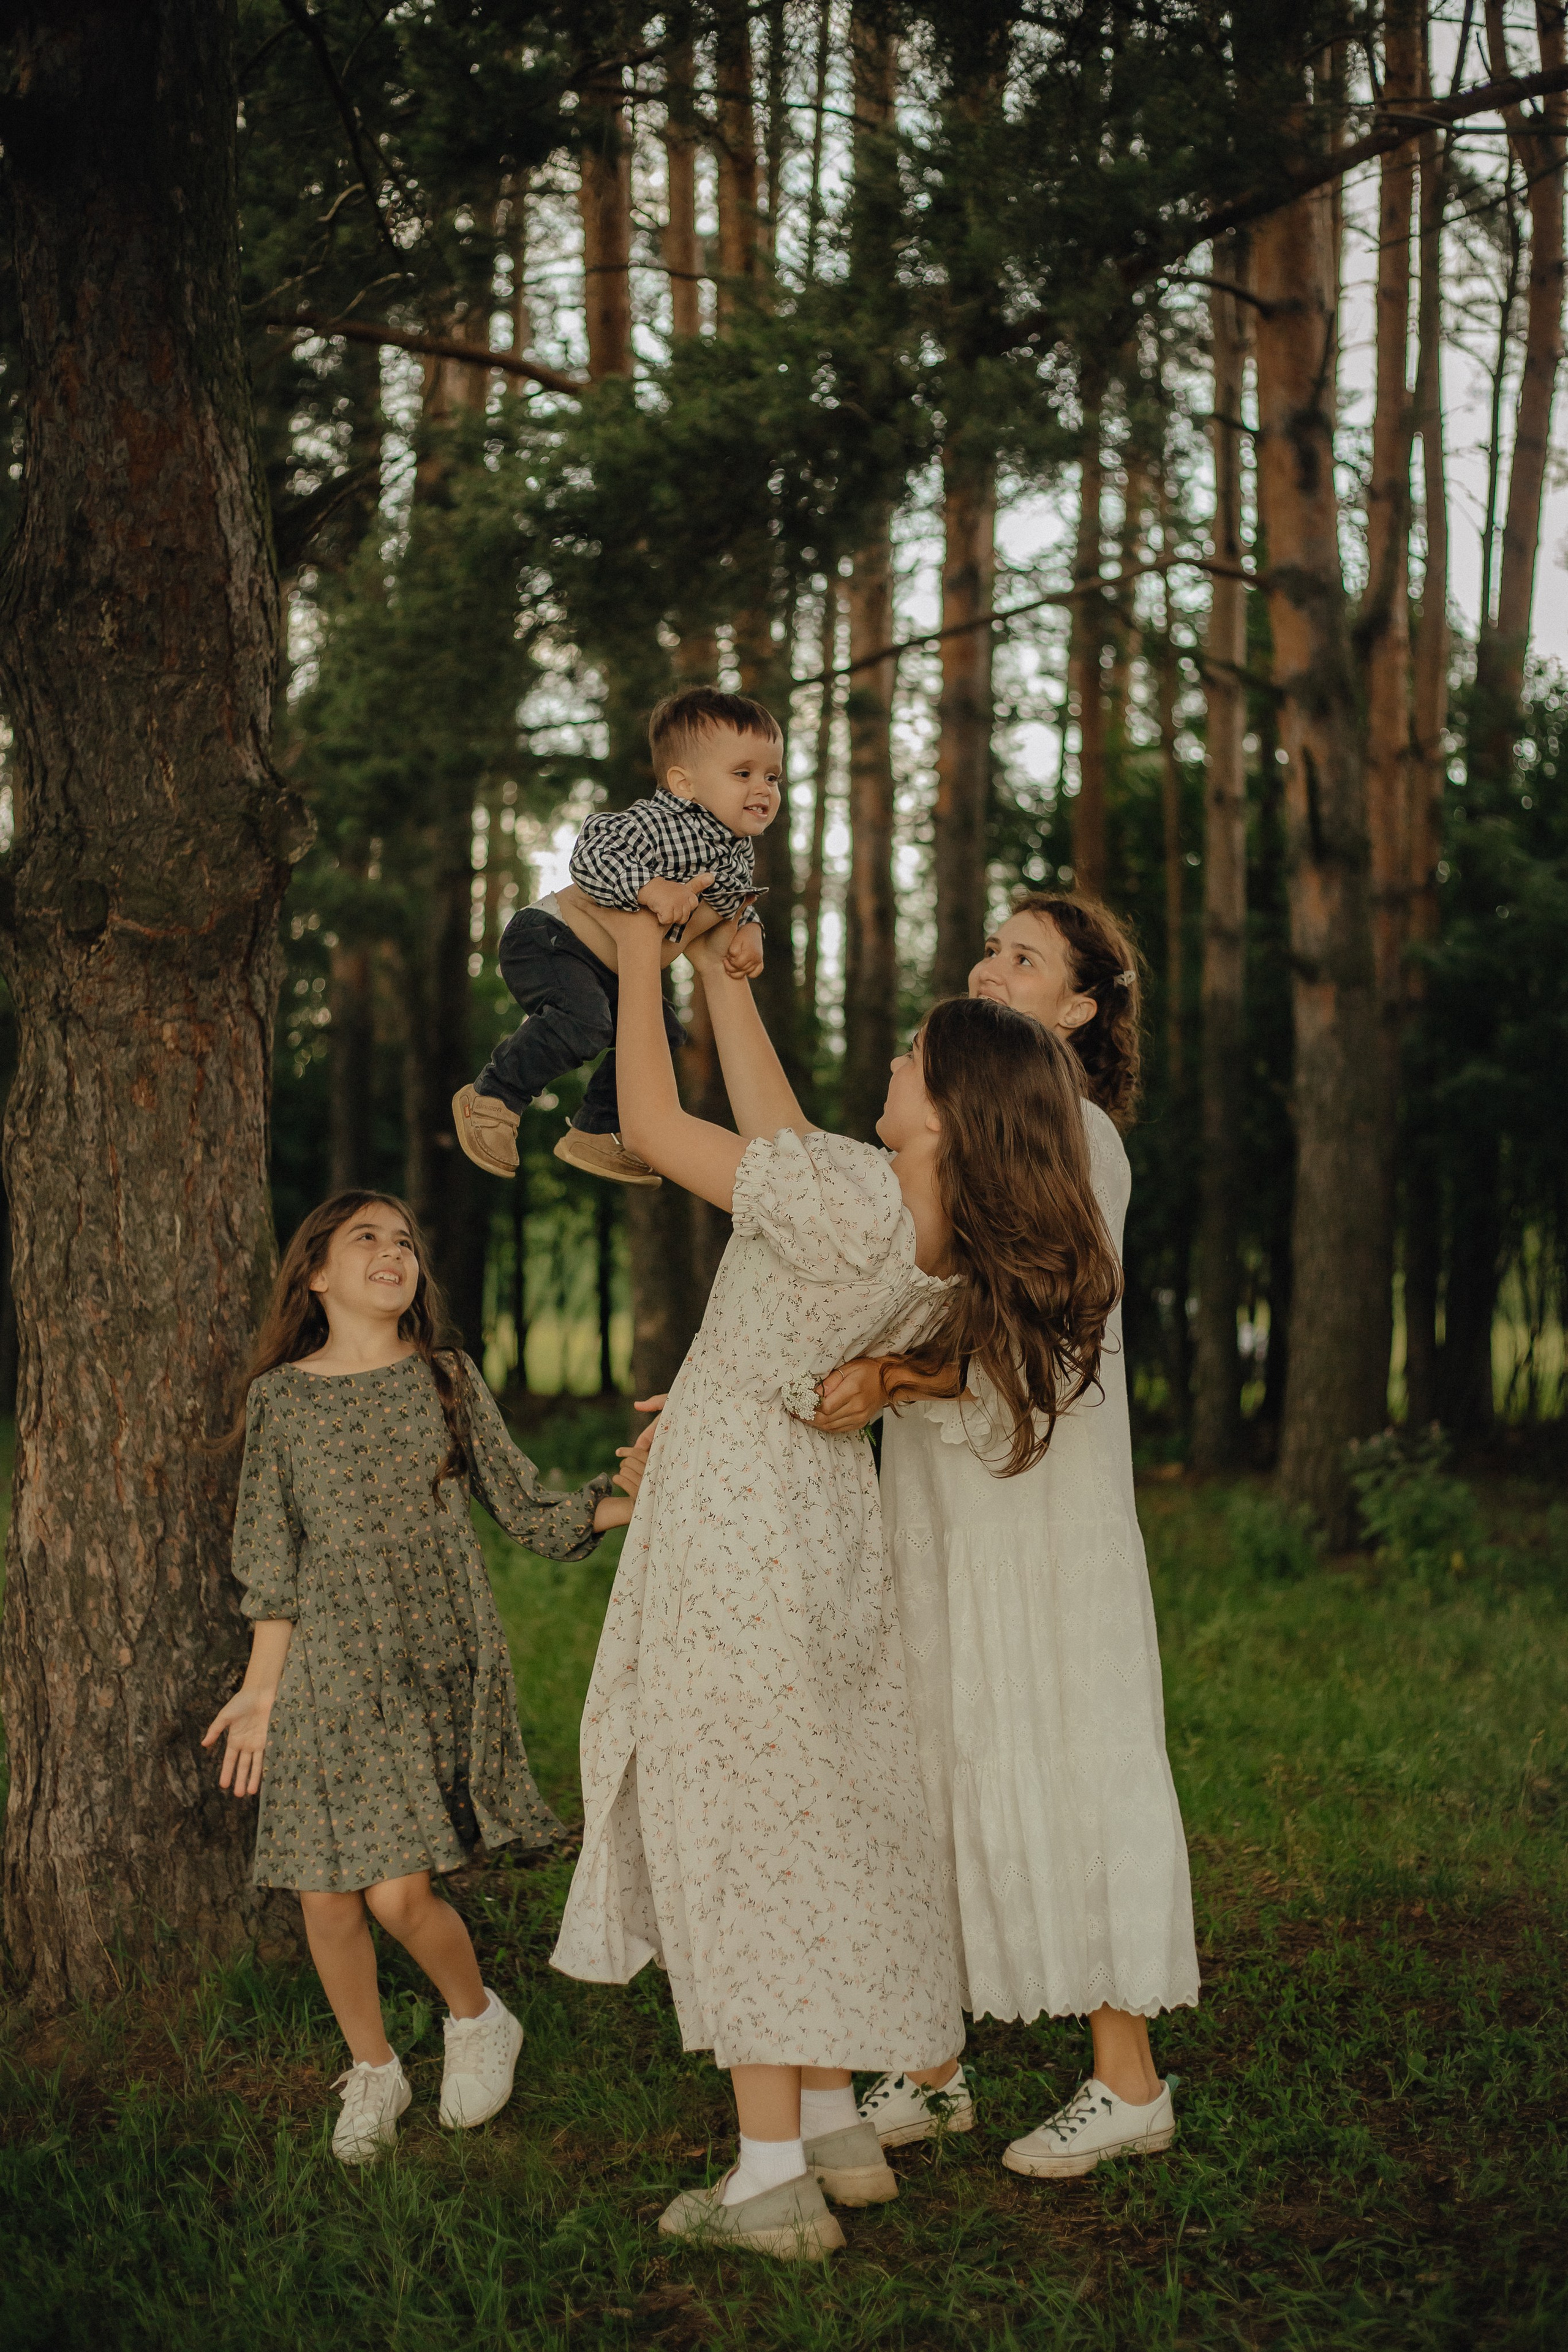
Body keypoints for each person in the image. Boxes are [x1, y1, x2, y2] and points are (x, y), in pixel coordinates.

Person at [550, 903, 1120, 2258]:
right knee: (811, 1810)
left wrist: (633, 954)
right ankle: (828, 2126)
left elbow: (652, 1118)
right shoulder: (942, 1239)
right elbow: (785, 1137)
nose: (892, 1066)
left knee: (747, 1824)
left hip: (734, 1520)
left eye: (912, 1060)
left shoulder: (845, 1200)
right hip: (817, 1522)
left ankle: (767, 2183)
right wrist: (715, 974)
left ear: (947, 1114)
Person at [812, 893, 1202, 2181]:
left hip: (1039, 1503)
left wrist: (894, 1378)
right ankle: (931, 2066)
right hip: (944, 1491)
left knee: (1067, 1745)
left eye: (1023, 960)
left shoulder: (1077, 1133)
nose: (990, 968)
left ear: (1079, 1009)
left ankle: (1128, 2082)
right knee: (937, 1737)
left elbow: (1037, 1319)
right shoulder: (964, 1120)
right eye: (991, 947)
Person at [202, 1189, 647, 2166]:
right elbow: (271, 1552)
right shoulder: (281, 1399)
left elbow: (522, 1504)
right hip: (324, 1664)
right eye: (366, 1238)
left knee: (398, 1896)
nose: (392, 1252)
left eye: (404, 1240)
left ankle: (479, 2019)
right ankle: (375, 2070)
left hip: (428, 1657)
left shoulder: (444, 1377)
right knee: (325, 1896)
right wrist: (262, 1690)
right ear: (317, 1273)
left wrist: (630, 1502)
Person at [451, 685, 782, 1189]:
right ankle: (494, 1097)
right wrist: (650, 888)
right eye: (743, 774)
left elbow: (735, 897)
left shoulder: (737, 850)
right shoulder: (661, 822)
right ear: (684, 783)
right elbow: (592, 852)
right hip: (551, 938)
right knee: (585, 1022)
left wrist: (750, 929)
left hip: (614, 968)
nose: (763, 789)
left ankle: (596, 1131)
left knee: (665, 1034)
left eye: (772, 777)